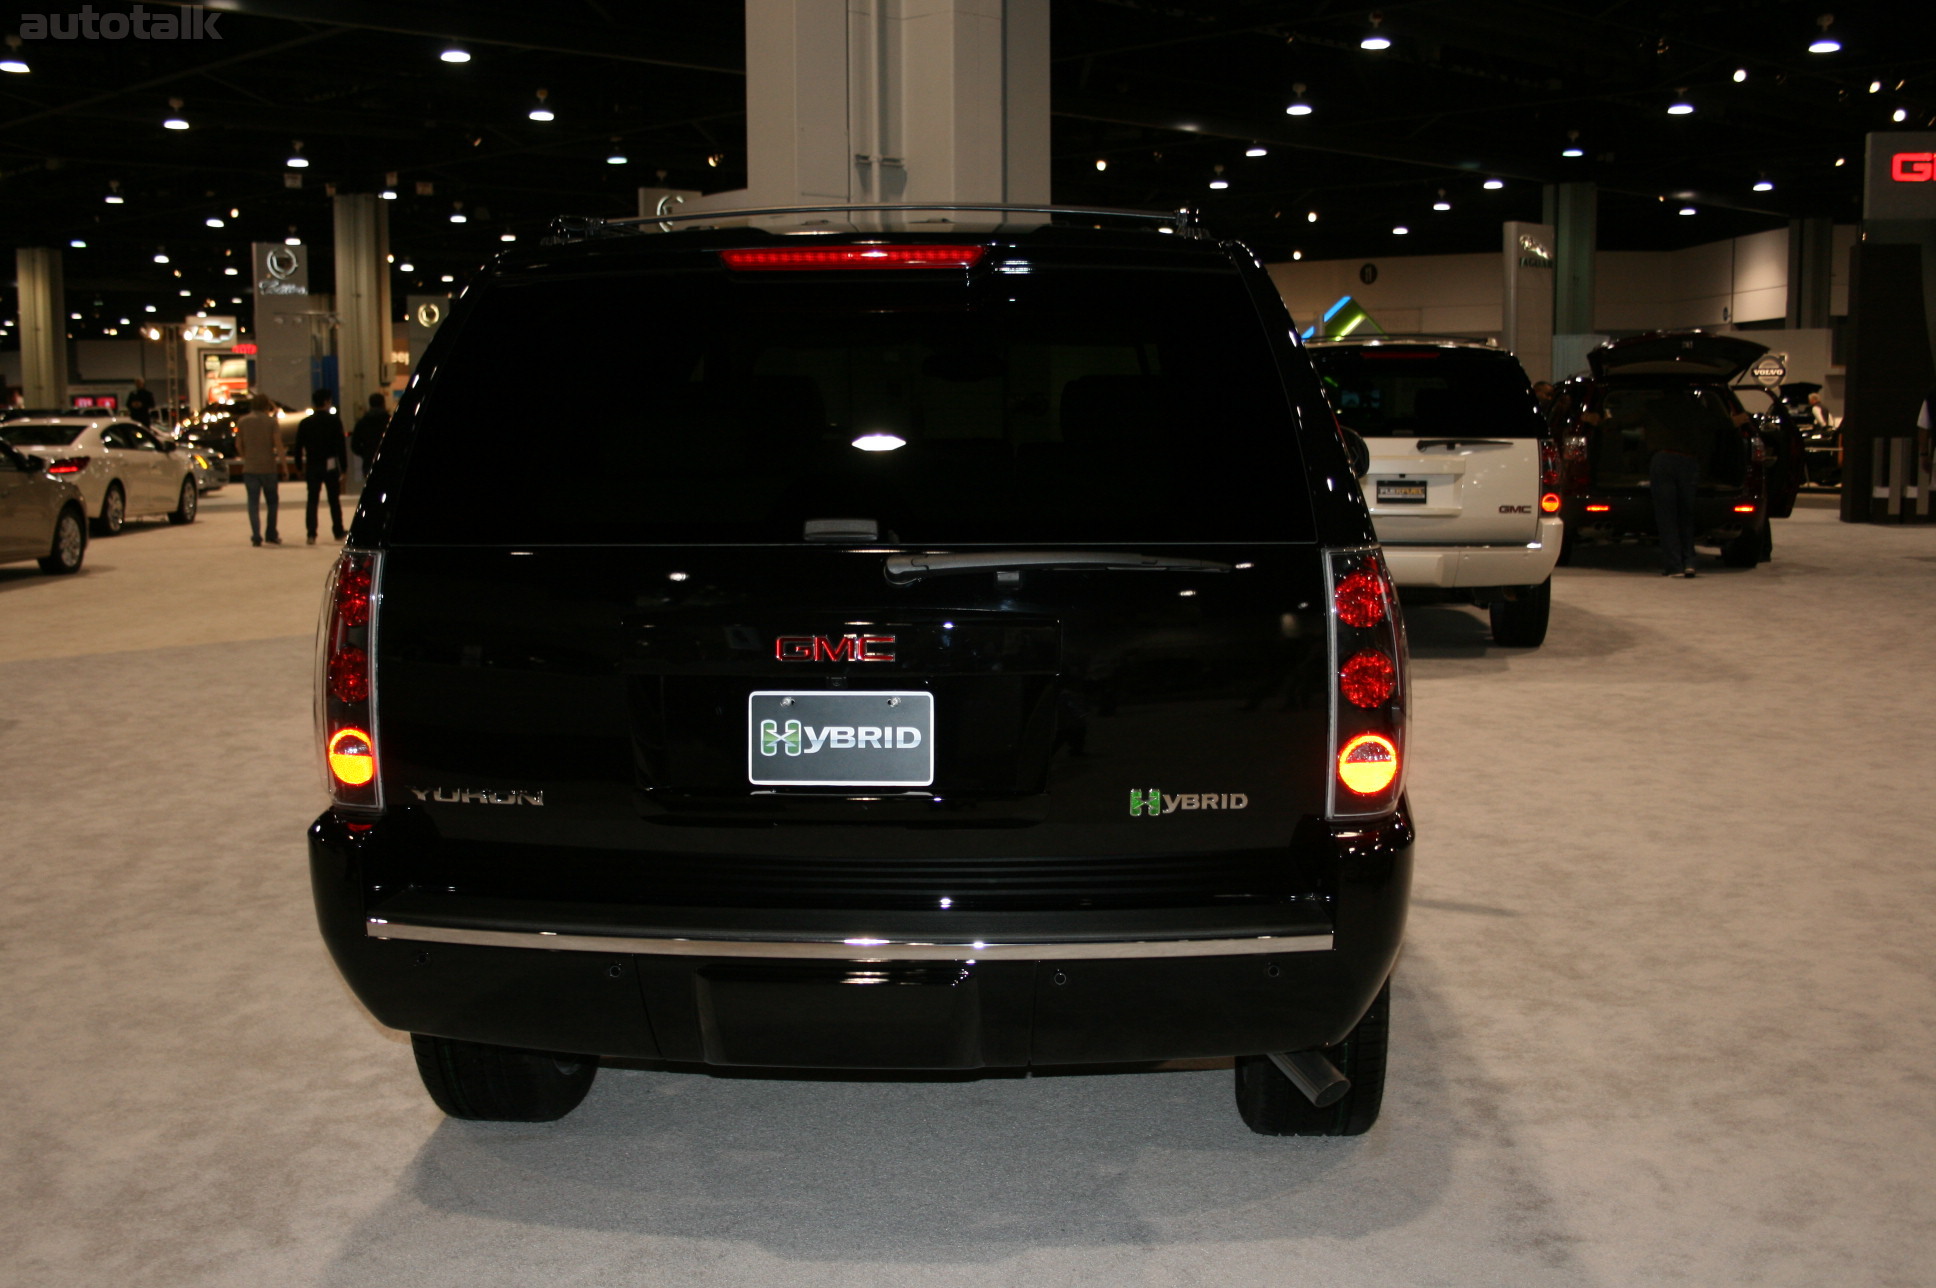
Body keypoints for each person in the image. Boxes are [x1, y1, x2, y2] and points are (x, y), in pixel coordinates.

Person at [1641, 392, 1718, 578]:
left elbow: (1624, 422)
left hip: (1663, 460)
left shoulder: (1653, 406)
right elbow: (1717, 424)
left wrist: (1600, 421)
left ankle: (1674, 566)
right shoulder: (1695, 408)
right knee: (1686, 514)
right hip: (1688, 461)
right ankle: (1689, 562)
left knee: (1667, 515)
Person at [294, 387, 348, 545]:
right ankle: (338, 530)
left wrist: (298, 466)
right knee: (334, 500)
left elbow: (298, 447)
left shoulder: (305, 423)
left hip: (312, 464)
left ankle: (311, 533)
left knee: (312, 499)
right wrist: (343, 468)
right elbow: (340, 446)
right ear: (326, 402)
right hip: (330, 465)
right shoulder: (334, 421)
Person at [235, 392, 283, 547]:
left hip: (250, 468)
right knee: (272, 503)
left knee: (253, 503)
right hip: (269, 467)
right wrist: (284, 465)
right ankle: (271, 533)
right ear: (266, 405)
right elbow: (278, 444)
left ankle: (256, 535)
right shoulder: (271, 422)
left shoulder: (243, 421)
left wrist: (245, 457)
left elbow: (238, 444)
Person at [350, 392, 389, 479]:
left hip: (369, 460)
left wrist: (365, 453)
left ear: (370, 404)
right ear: (383, 403)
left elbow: (354, 445)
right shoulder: (389, 420)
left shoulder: (362, 422)